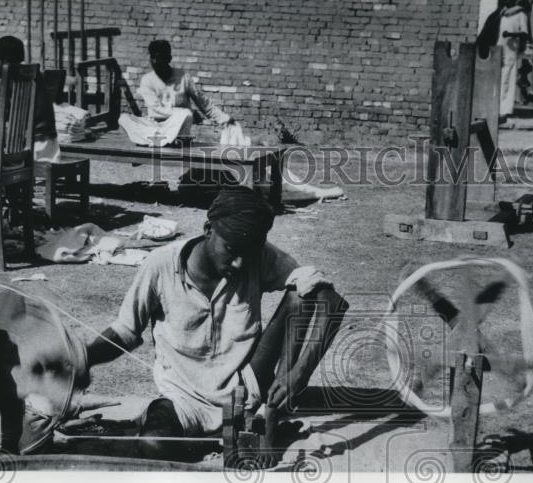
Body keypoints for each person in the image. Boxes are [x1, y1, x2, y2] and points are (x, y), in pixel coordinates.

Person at [83, 186, 348, 456]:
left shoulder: (257, 256)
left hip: (246, 388)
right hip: (184, 399)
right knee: (152, 445)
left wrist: (298, 374)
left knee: (300, 294)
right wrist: (83, 359)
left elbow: (330, 298)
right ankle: (219, 438)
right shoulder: (161, 265)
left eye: (249, 253)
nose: (239, 264)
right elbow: (125, 330)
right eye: (231, 250)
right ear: (208, 229)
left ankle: (265, 418)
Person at [119, 39, 234, 146]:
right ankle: (164, 140)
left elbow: (203, 102)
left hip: (177, 125)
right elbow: (156, 110)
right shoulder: (147, 80)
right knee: (123, 118)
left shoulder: (184, 77)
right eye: (152, 57)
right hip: (155, 125)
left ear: (168, 58)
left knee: (186, 115)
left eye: (159, 58)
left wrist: (225, 120)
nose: (154, 62)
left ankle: (158, 140)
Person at [0, 35, 60, 162]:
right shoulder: (32, 73)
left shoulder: (9, 76)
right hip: (48, 146)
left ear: (4, 61)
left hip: (26, 150)